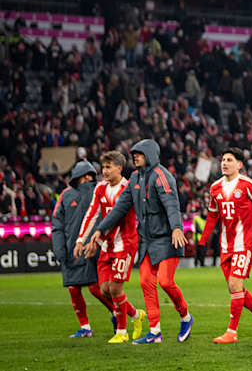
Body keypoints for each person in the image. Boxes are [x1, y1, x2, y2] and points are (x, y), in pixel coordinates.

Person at [79, 140, 192, 344]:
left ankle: (185, 316)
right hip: (147, 240)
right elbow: (120, 208)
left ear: (149, 154)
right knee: (146, 282)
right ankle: (155, 331)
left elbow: (171, 204)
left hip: (168, 238)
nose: (135, 157)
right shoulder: (135, 178)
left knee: (166, 282)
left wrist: (176, 227)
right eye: (133, 154)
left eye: (138, 153)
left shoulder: (162, 176)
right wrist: (100, 230)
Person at [199, 148, 252, 344]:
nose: (224, 163)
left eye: (229, 160)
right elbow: (213, 215)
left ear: (239, 165)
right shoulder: (215, 187)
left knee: (234, 285)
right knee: (236, 288)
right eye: (223, 159)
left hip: (245, 243)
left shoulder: (248, 184)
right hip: (226, 245)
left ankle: (231, 332)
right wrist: (203, 239)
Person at [75, 151, 143, 344]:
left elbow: (123, 216)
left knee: (114, 289)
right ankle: (136, 315)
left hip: (125, 244)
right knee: (103, 289)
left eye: (108, 167)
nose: (104, 171)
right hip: (106, 244)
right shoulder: (100, 188)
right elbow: (92, 214)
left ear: (119, 168)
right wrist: (81, 239)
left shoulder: (129, 188)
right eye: (103, 167)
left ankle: (122, 331)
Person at [53, 161, 113, 338]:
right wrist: (59, 249)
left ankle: (119, 313)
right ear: (77, 176)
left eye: (90, 175)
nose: (87, 178)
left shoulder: (101, 191)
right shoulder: (65, 195)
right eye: (84, 175)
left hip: (94, 248)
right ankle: (85, 327)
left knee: (96, 288)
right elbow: (57, 224)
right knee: (73, 288)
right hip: (72, 249)